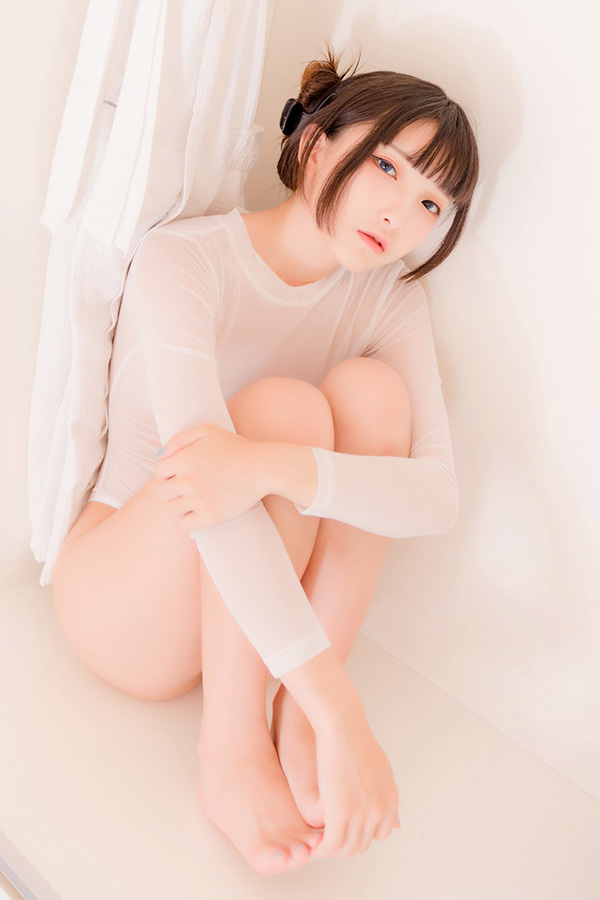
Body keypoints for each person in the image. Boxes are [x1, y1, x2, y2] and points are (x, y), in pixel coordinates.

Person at [51, 43, 479, 874]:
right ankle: (234, 745)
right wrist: (342, 710)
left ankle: (290, 720)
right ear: (316, 143)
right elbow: (200, 478)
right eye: (387, 166)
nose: (402, 213)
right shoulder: (186, 260)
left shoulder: (392, 301)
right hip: (122, 602)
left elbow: (437, 497)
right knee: (284, 411)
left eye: (432, 202)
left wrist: (279, 469)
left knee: (370, 396)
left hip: (240, 628)